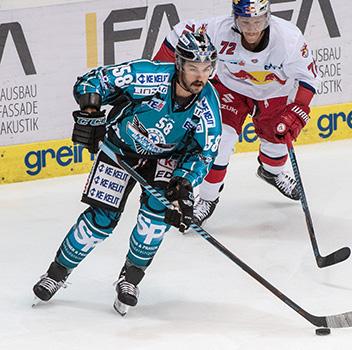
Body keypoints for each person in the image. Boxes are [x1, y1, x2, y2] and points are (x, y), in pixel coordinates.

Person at [32, 31, 221, 316]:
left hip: (166, 160)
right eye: (194, 67)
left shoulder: (208, 103)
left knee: (155, 222)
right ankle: (57, 273)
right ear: (180, 63)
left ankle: (130, 280)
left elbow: (205, 152)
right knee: (100, 220)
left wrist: (184, 183)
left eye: (206, 68)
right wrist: (91, 108)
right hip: (118, 150)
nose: (200, 76)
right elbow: (93, 80)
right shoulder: (148, 75)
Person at [154, 0, 318, 226]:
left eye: (258, 21)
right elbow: (180, 33)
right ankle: (208, 198)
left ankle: (272, 172)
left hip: (275, 91)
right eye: (245, 21)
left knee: (277, 139)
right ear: (235, 18)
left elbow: (309, 79)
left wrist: (298, 110)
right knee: (220, 141)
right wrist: (155, 73)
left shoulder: (289, 39)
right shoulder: (218, 29)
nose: (251, 28)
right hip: (230, 88)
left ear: (268, 17)